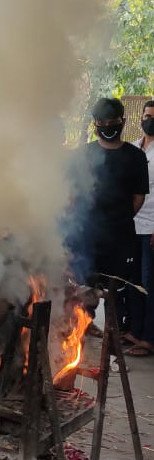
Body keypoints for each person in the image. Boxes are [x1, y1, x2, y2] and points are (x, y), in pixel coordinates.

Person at [69, 98, 149, 336]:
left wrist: (118, 218)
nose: (106, 126)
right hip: (87, 235)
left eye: (111, 121)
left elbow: (138, 197)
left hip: (121, 236)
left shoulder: (135, 156)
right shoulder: (83, 155)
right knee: (84, 286)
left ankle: (116, 331)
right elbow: (71, 194)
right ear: (95, 124)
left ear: (122, 121)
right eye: (101, 122)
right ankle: (84, 325)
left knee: (118, 288)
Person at [124, 100, 154, 356]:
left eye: (153, 116)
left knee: (149, 283)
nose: (149, 120)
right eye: (146, 115)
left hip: (151, 227)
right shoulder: (133, 148)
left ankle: (148, 338)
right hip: (131, 224)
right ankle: (134, 330)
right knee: (132, 282)